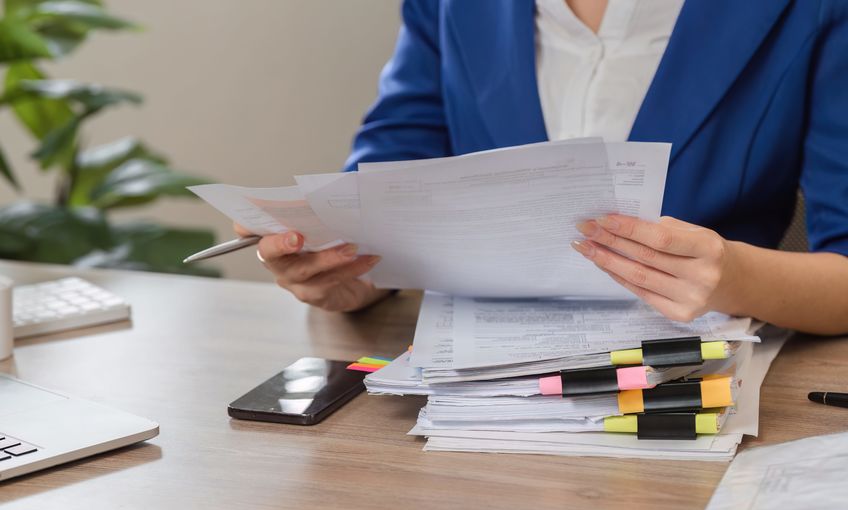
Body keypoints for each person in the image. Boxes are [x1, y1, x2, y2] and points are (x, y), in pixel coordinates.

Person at [240, 0, 848, 335]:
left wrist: (735, 276)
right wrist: (358, 273)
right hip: (473, 397)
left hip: (694, 390)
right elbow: (392, 179)